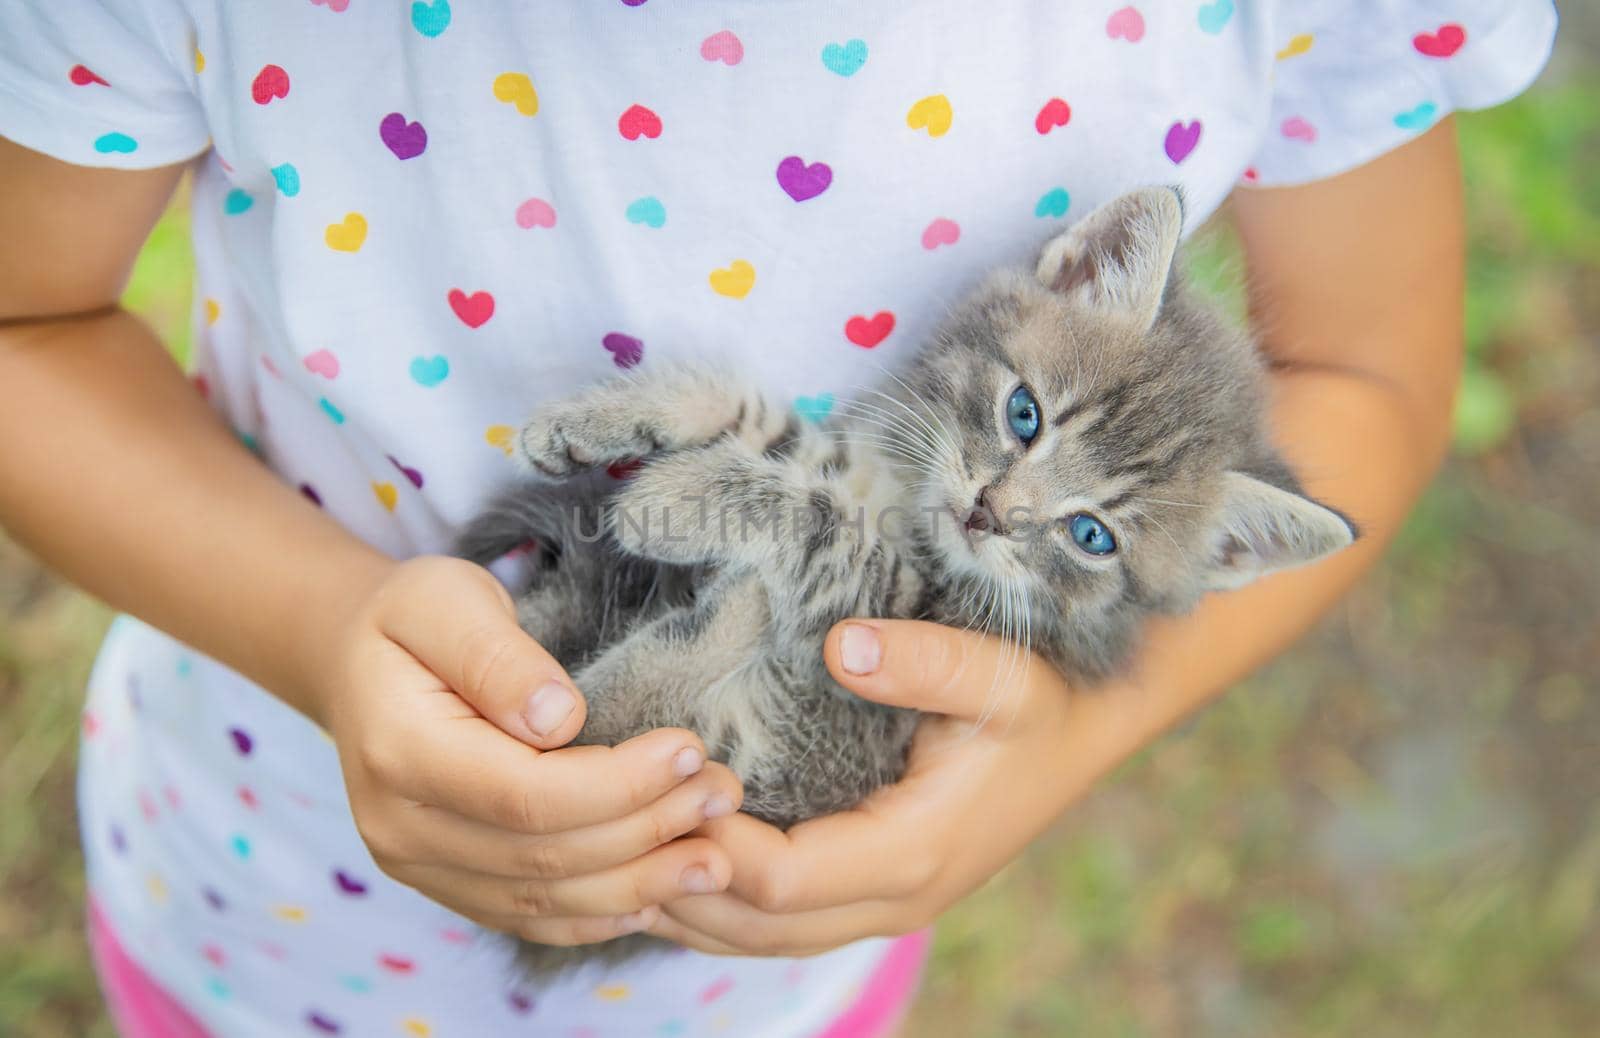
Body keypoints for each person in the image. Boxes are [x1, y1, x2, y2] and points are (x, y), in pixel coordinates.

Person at [0, 2, 1557, 1035]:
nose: (1007, 501)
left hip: (775, 986)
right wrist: (326, 634)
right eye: (1023, 433)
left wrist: (1051, 751)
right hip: (271, 909)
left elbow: (1367, 372)